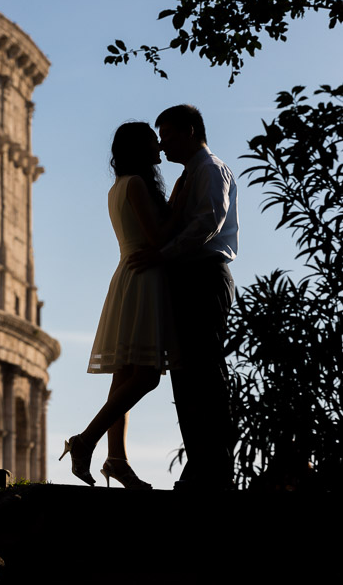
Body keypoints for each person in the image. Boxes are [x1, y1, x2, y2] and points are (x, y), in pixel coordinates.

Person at [60, 121, 184, 489]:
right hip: (143, 278)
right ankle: (86, 441)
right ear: (137, 148)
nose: (159, 149)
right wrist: (179, 198)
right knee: (145, 376)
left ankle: (117, 460)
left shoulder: (118, 186)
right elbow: (159, 236)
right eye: (152, 143)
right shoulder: (136, 184)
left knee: (123, 377)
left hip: (128, 276)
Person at [129, 104, 239, 490]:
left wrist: (163, 254)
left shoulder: (209, 170)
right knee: (188, 374)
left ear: (191, 131)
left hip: (204, 275)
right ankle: (202, 463)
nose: (163, 144)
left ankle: (213, 468)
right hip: (189, 277)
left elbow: (207, 223)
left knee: (204, 372)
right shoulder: (191, 175)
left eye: (169, 134)